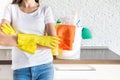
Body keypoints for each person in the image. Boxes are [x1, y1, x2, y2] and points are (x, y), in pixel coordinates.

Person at [0, 0, 59, 80]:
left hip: (44, 67)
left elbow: (53, 43)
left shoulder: (45, 9)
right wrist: (39, 40)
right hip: (21, 68)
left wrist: (16, 39)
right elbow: (2, 39)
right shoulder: (10, 8)